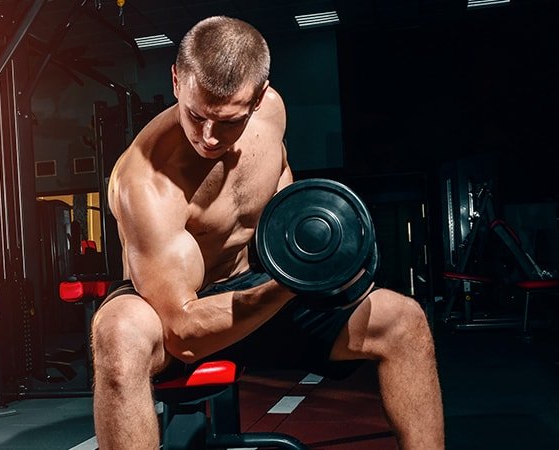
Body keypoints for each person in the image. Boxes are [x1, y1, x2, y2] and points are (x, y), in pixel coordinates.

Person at [91, 15, 444, 450]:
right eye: (196, 116)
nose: (209, 137)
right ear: (177, 81)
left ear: (258, 98)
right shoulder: (144, 180)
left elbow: (284, 208)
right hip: (169, 308)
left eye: (229, 121)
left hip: (254, 285)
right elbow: (182, 334)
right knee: (119, 333)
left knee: (404, 321)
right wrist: (293, 283)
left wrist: (317, 259)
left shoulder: (272, 113)